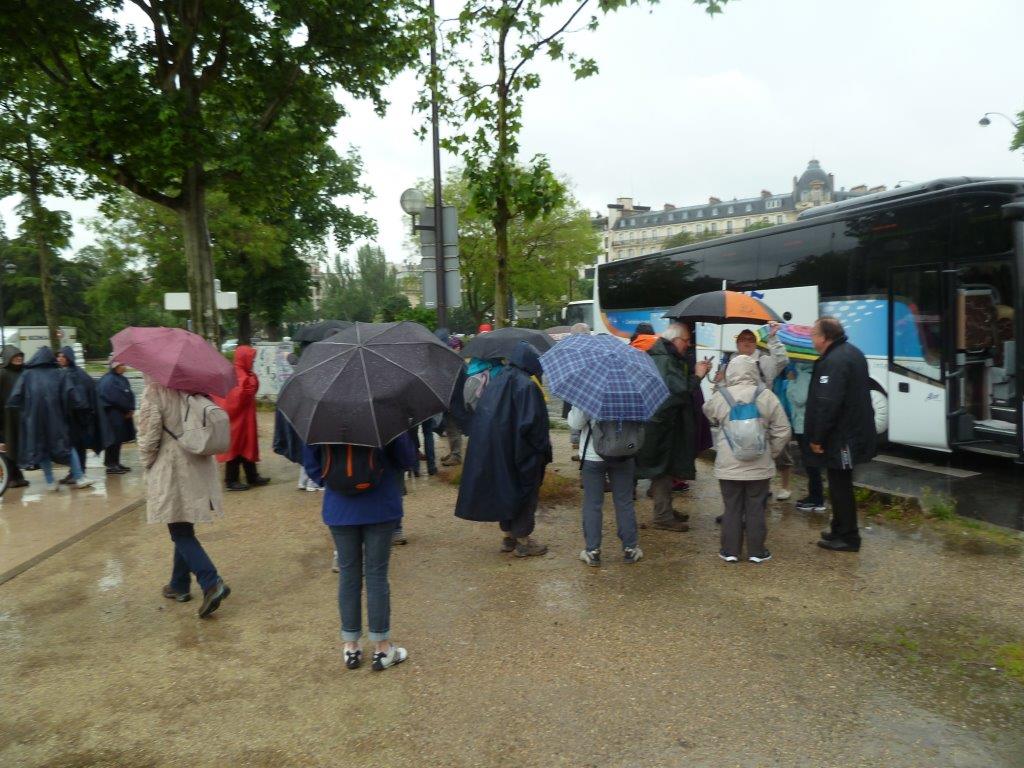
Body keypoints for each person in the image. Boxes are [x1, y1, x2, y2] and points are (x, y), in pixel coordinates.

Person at [302, 433, 417, 671]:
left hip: (339, 507)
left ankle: (351, 646)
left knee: (348, 575)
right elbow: (407, 459)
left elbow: (311, 464)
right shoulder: (384, 417)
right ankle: (382, 649)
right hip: (381, 505)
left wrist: (333, 481)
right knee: (376, 575)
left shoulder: (322, 422)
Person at [136, 377, 230, 617]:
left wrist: (147, 464)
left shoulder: (155, 391)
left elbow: (149, 437)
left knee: (179, 531)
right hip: (197, 462)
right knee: (183, 525)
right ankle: (179, 584)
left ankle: (211, 582)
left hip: (172, 466)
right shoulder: (195, 385)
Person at [455, 341, 552, 557]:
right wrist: (542, 451)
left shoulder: (498, 379)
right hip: (521, 450)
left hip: (497, 449)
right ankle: (523, 541)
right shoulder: (527, 386)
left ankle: (508, 536)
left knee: (506, 489)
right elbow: (533, 426)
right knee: (526, 492)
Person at [703, 355, 792, 563]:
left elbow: (707, 411)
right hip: (759, 465)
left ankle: (730, 551)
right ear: (754, 371)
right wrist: (771, 452)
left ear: (731, 372)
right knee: (756, 508)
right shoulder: (766, 395)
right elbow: (783, 429)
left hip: (728, 465)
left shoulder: (721, 396)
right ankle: (756, 552)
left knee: (732, 508)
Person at [805, 316, 877, 552]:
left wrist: (817, 437)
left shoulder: (835, 361)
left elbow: (828, 403)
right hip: (849, 432)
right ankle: (838, 528)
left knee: (840, 486)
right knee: (837, 484)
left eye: (814, 334)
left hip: (843, 436)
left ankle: (849, 537)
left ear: (825, 337)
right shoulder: (852, 352)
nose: (811, 338)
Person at [635, 324, 710, 531]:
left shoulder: (664, 356)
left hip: (662, 424)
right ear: (675, 340)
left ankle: (666, 509)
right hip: (663, 425)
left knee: (666, 469)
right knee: (663, 469)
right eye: (686, 340)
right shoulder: (665, 360)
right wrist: (698, 376)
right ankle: (662, 516)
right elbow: (679, 392)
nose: (689, 344)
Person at [715, 324, 793, 499]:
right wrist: (719, 381)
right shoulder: (729, 362)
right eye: (743, 339)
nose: (747, 342)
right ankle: (759, 487)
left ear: (756, 343)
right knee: (742, 450)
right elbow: (721, 390)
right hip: (737, 416)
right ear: (737, 343)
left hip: (764, 412)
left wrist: (773, 338)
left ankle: (785, 486)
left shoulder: (764, 360)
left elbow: (782, 361)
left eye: (751, 339)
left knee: (780, 450)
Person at [7, 347, 93, 490]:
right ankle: (79, 477)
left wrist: (25, 410)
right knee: (67, 446)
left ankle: (50, 482)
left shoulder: (26, 374)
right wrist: (82, 406)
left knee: (42, 450)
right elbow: (74, 396)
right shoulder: (60, 373)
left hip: (34, 421)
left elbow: (14, 398)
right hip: (57, 419)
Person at [568, 405, 642, 566]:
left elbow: (576, 423)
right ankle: (630, 548)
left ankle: (592, 550)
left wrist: (573, 411)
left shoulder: (589, 393)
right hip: (624, 453)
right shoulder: (632, 393)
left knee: (592, 503)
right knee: (624, 502)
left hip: (593, 455)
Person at [214, 345, 267, 491]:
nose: (253, 362)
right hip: (236, 420)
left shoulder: (241, 373)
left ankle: (252, 476)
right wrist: (251, 382)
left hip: (243, 418)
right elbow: (237, 397)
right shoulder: (237, 374)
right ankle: (231, 480)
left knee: (246, 446)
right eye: (251, 359)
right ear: (244, 359)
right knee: (236, 448)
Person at [57, 346, 109, 483]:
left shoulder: (74, 374)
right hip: (76, 417)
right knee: (75, 445)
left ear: (69, 358)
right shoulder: (72, 372)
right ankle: (74, 472)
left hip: (77, 418)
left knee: (76, 445)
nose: (59, 358)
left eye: (62, 356)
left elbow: (80, 397)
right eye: (58, 356)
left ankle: (78, 473)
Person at [786, 360, 826, 512]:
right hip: (810, 423)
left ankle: (816, 499)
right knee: (812, 463)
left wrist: (791, 382)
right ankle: (816, 497)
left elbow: (799, 399)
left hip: (803, 425)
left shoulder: (804, 375)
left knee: (811, 464)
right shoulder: (815, 373)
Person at [97, 360, 136, 474]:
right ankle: (111, 465)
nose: (125, 367)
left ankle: (115, 462)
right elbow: (116, 398)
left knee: (118, 440)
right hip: (112, 414)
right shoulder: (109, 380)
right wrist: (127, 409)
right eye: (122, 365)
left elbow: (129, 394)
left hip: (121, 413)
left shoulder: (121, 379)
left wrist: (131, 408)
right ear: (116, 366)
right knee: (113, 440)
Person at [562, 322, 592, 461]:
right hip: (587, 392)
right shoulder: (594, 348)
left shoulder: (571, 350)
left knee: (579, 421)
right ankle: (582, 450)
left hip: (579, 392)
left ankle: (583, 451)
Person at [0, 346, 28, 487]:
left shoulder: (25, 372)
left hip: (22, 415)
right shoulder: (2, 374)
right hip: (6, 417)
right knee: (8, 446)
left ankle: (18, 476)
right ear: (8, 358)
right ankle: (11, 477)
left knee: (16, 446)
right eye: (15, 356)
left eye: (20, 356)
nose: (19, 358)